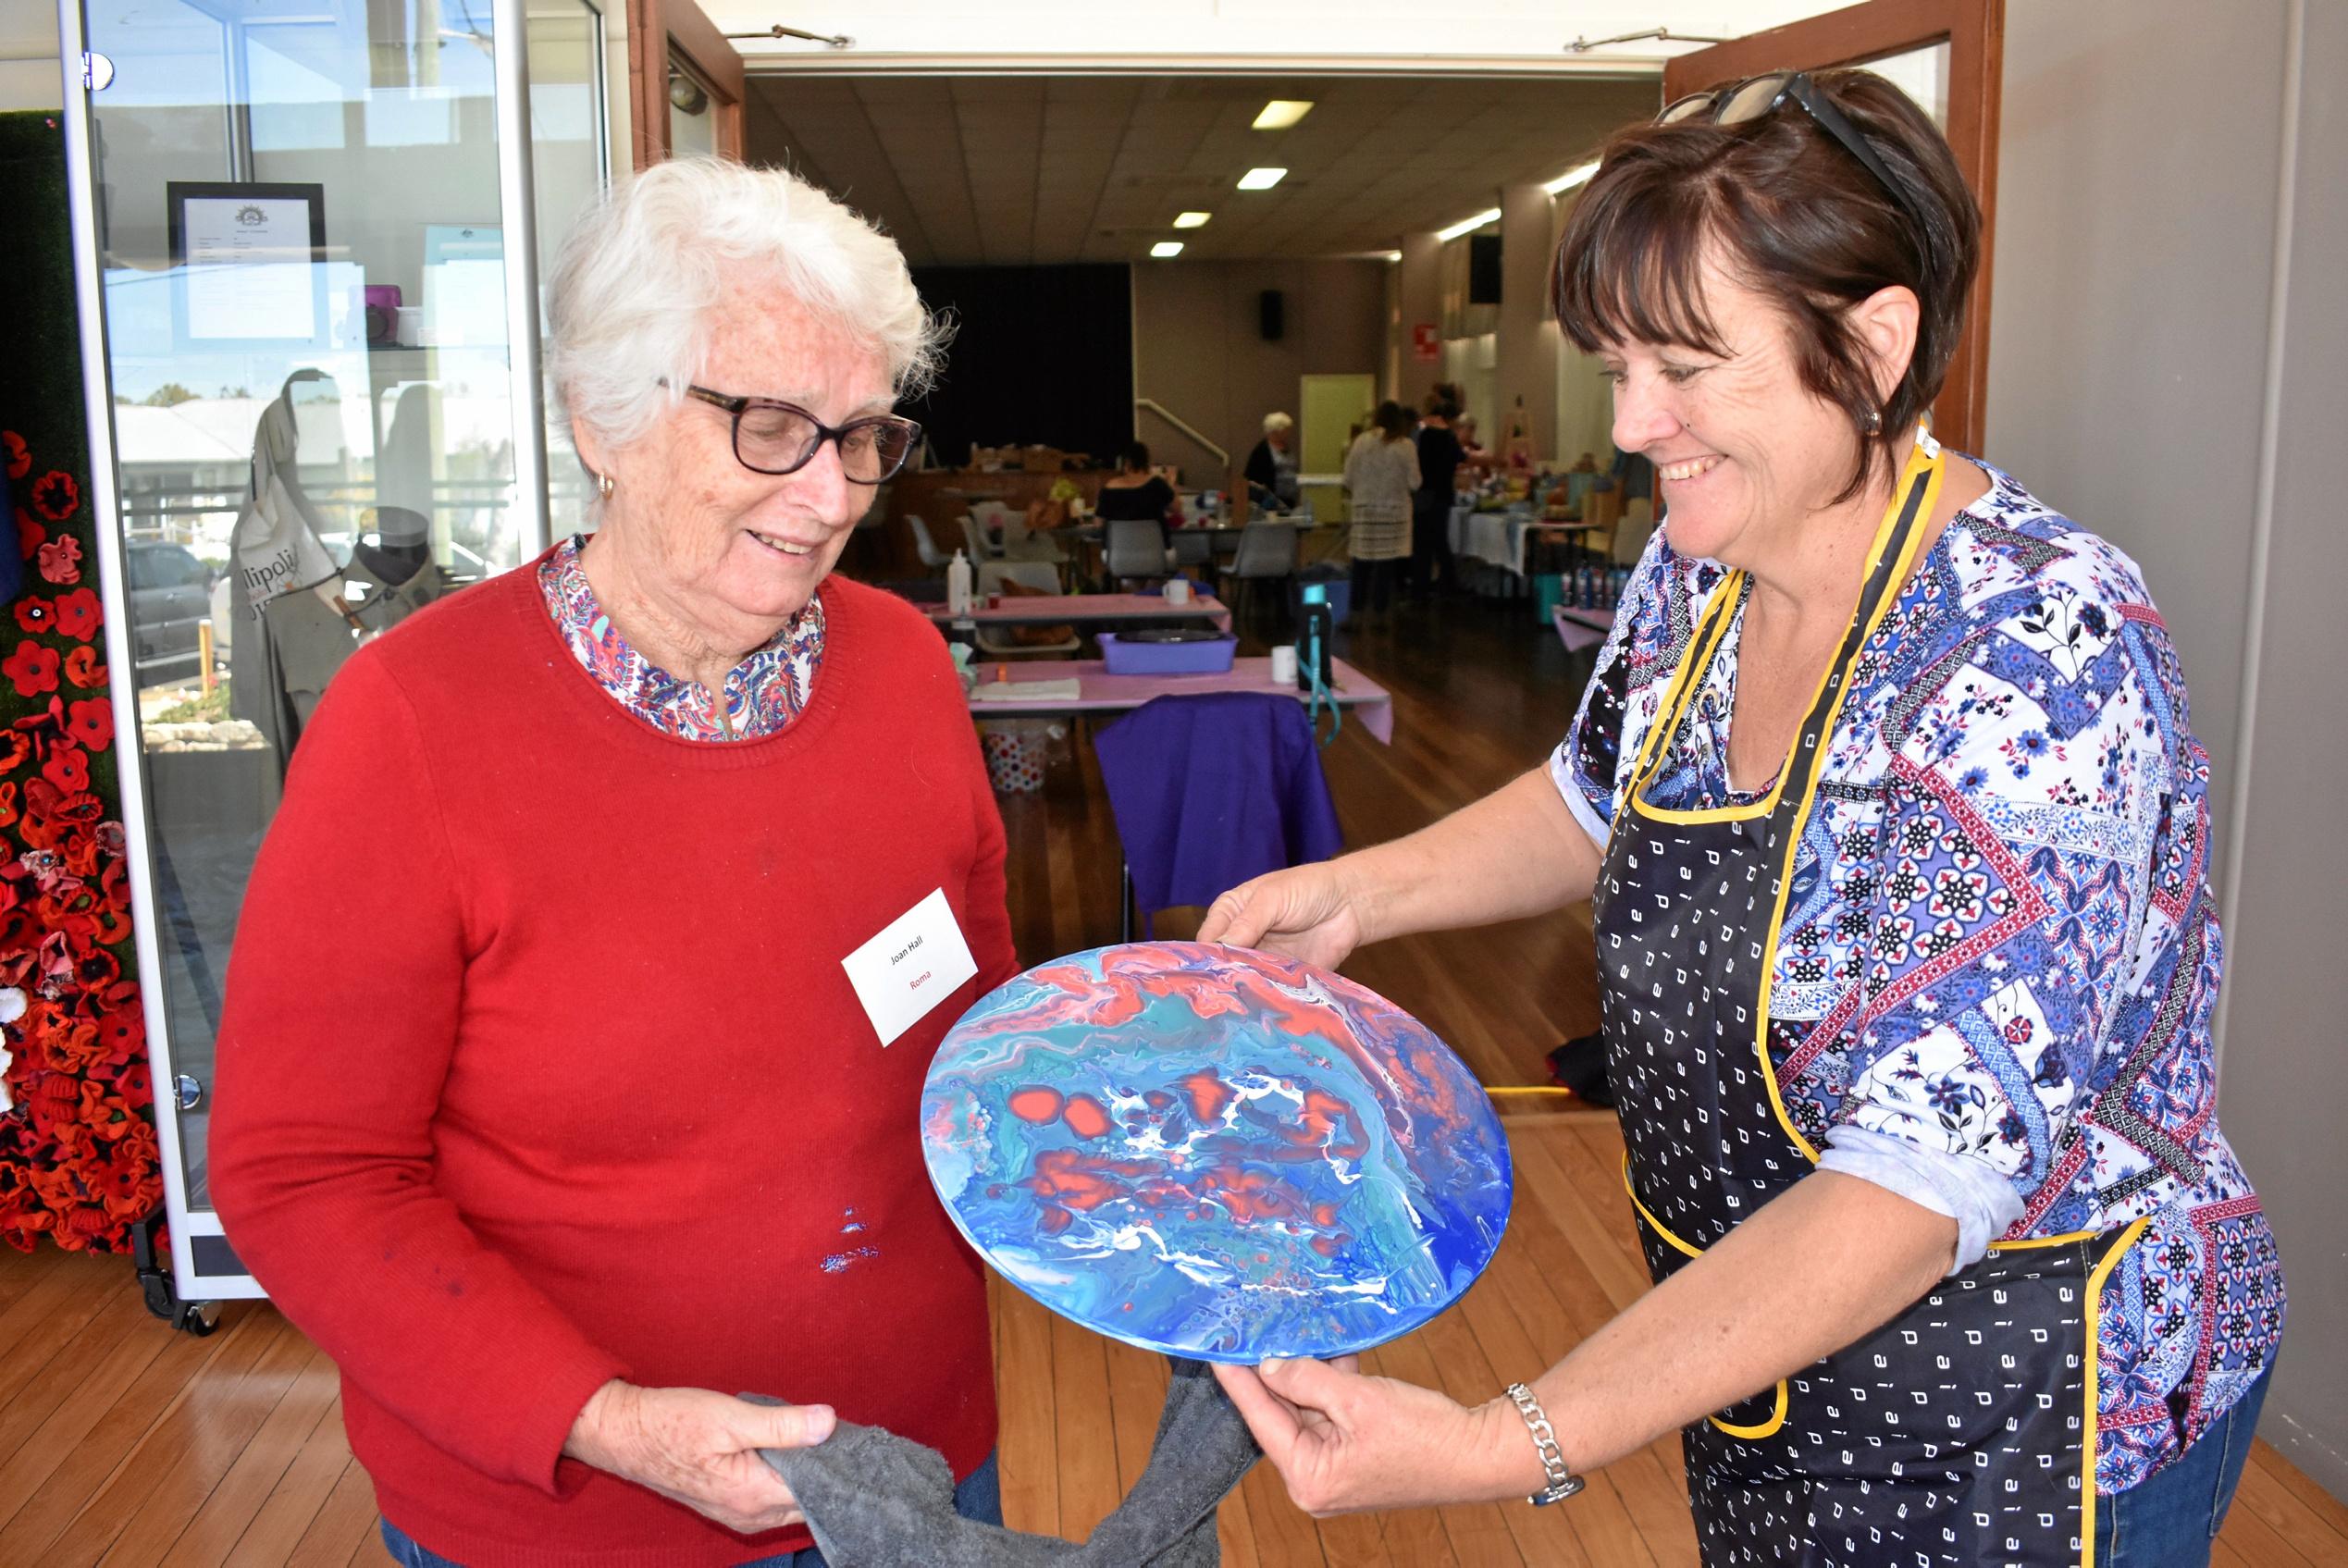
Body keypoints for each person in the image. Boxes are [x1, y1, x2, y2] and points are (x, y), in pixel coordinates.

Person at [1201, 69, 2282, 1566]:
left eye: (1686, 370)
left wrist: (1505, 1437)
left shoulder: (2029, 650)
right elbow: (1595, 797)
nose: (1635, 422)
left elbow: (1913, 1187)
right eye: (1621, 364)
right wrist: (1358, 894)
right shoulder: (1706, 561)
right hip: (1762, 1342)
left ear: (1869, 344)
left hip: (2035, 1390)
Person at [208, 158, 1019, 1568]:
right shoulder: (411, 723)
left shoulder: (901, 667)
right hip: (573, 1512)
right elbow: (307, 1172)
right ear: (604, 418)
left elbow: (978, 1013)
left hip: (917, 1467)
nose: (830, 494)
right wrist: (606, 1417)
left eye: (863, 433)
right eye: (772, 427)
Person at [1341, 401, 1419, 615]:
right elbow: (1415, 482)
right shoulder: (1406, 446)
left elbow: (1348, 477)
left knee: (1361, 563)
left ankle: (1355, 610)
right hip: (1394, 512)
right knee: (1386, 565)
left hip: (1365, 510)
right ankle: (1380, 613)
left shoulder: (1362, 442)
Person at [1410, 392, 1464, 597]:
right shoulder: (1449, 437)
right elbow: (1460, 457)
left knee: (1422, 543)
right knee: (1440, 541)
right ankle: (1449, 583)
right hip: (1443, 494)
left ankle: (1420, 587)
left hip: (1424, 493)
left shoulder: (1423, 435)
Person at [1094, 440, 1177, 524]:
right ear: (1147, 462)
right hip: (1152, 536)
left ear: (1125, 463)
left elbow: (1098, 523)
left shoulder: (1109, 489)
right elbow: (1177, 509)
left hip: (1119, 536)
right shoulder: (1157, 484)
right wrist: (1170, 483)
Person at [1243, 411, 1301, 512]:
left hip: (1289, 499)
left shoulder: (1286, 447)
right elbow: (1253, 479)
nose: (1289, 433)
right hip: (1271, 502)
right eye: (1286, 430)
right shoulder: (1262, 450)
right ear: (1276, 431)